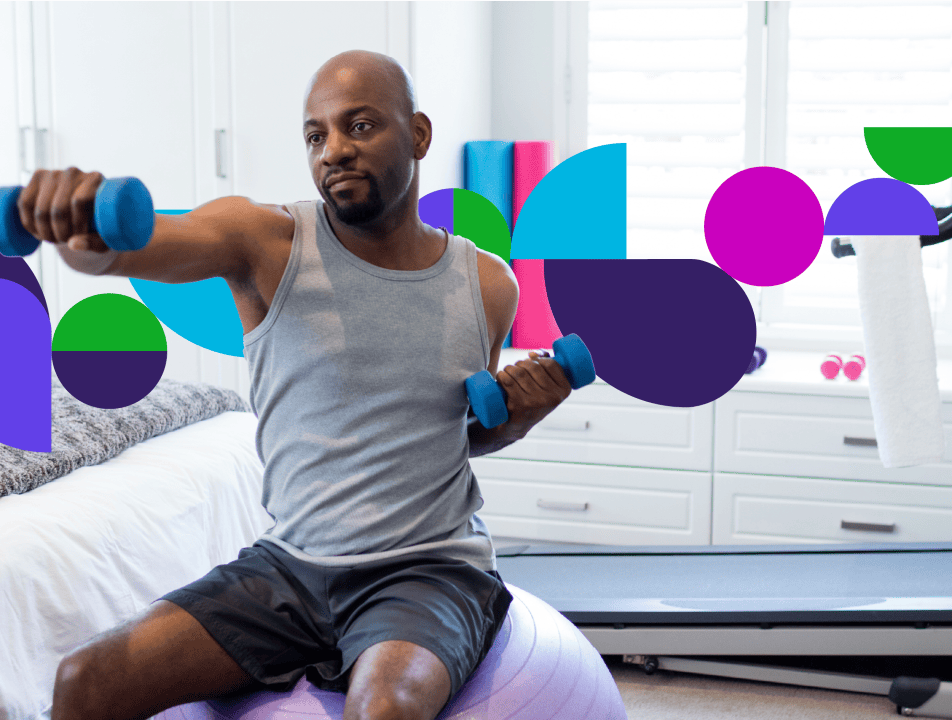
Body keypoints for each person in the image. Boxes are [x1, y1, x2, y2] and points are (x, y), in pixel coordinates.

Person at [34, 50, 572, 720]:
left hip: (429, 571)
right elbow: (137, 246)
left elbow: (457, 433)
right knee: (84, 680)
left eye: (361, 126)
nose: (334, 150)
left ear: (419, 134)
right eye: (317, 135)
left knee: (385, 710)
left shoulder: (488, 282)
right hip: (290, 567)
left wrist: (517, 417)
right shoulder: (267, 241)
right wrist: (83, 234)